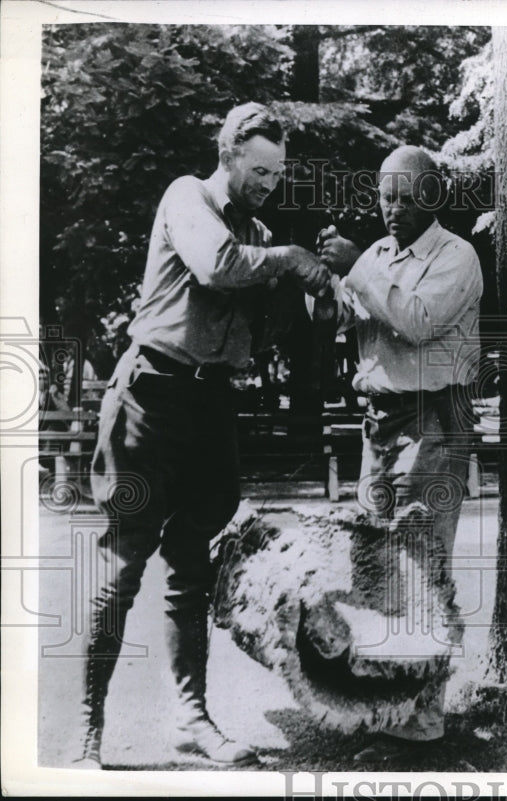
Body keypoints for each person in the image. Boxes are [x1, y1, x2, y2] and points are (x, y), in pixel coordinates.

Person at [74, 102, 332, 769]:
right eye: (259, 170)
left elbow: (264, 329)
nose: (268, 184)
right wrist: (291, 258)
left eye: (277, 175)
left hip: (209, 406)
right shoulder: (187, 197)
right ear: (228, 153)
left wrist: (319, 287)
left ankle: (192, 719)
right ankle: (85, 732)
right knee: (125, 563)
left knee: (192, 569)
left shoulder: (258, 232)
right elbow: (218, 265)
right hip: (149, 395)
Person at [310, 145, 483, 763]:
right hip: (380, 425)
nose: (393, 208)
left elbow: (414, 319)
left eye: (408, 197)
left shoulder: (456, 256)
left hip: (435, 420)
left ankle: (423, 722)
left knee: (421, 567)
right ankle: (389, 711)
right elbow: (343, 324)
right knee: (377, 567)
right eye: (386, 195)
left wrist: (355, 267)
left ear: (434, 198)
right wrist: (324, 284)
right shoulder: (379, 257)